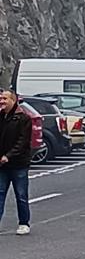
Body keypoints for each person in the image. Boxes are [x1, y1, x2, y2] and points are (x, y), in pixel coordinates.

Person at [0, 89, 32, 235]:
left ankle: (24, 223)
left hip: (18, 164)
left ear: (13, 100)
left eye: (5, 99)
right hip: (2, 165)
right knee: (0, 194)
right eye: (0, 99)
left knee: (21, 194)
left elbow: (22, 142)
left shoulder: (23, 118)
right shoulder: (1, 117)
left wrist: (9, 155)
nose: (2, 101)